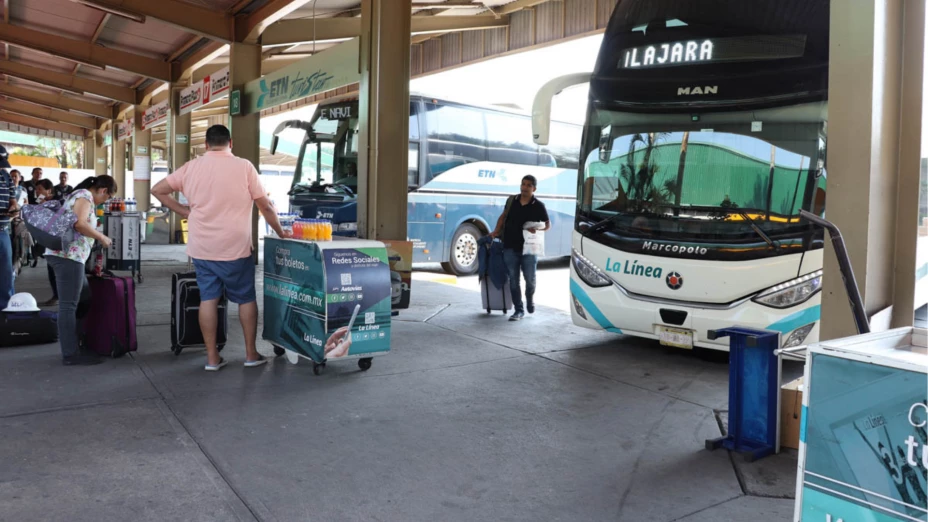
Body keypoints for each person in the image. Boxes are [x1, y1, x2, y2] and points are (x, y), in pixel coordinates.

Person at [151, 124, 290, 371]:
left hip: (202, 247)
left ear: (206, 144)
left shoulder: (191, 168)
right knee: (246, 298)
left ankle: (212, 358)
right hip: (236, 247)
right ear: (231, 143)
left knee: (208, 299)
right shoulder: (244, 166)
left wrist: (183, 211)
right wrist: (280, 232)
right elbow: (265, 206)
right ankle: (250, 354)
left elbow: (158, 190)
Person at [46, 175, 116, 365]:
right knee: (68, 305)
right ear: (103, 191)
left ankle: (78, 342)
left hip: (72, 256)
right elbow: (80, 223)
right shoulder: (85, 196)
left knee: (84, 298)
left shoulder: (80, 196)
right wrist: (101, 237)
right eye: (107, 197)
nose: (105, 201)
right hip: (68, 257)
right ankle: (70, 354)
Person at [490, 175, 551, 321]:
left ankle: (530, 298)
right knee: (513, 280)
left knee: (530, 280)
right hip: (510, 246)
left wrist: (537, 229)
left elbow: (547, 225)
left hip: (529, 249)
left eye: (528, 185)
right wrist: (496, 231)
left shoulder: (539, 205)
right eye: (523, 184)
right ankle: (519, 310)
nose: (524, 187)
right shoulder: (512, 201)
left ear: (534, 189)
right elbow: (503, 217)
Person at [0, 145, 15, 311]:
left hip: (3, 231)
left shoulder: (5, 176)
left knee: (5, 275)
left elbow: (13, 201)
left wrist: (14, 210)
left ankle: (5, 311)